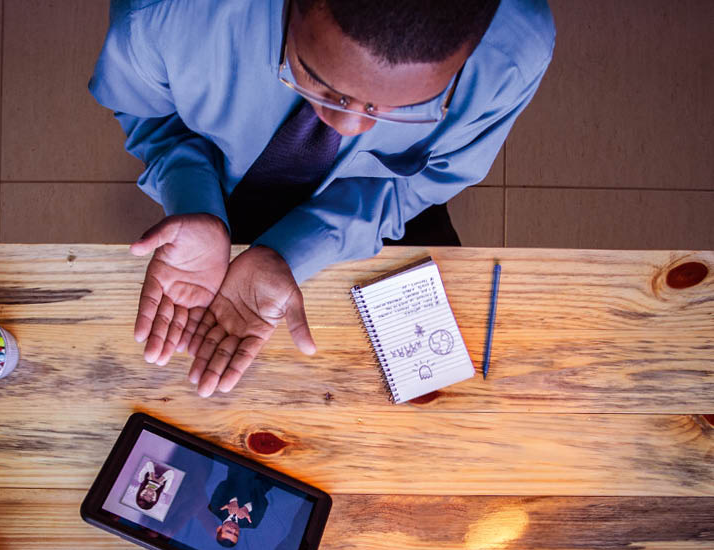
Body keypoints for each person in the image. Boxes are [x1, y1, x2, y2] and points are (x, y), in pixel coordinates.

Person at [90, 0, 555, 397]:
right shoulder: (165, 14)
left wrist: (294, 249)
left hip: (382, 207)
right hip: (215, 185)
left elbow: (425, 181)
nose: (349, 127)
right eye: (319, 83)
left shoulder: (513, 52)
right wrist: (193, 200)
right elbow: (147, 112)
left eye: (399, 108)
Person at [207, 469, 273, 548]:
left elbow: (224, 484)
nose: (234, 530)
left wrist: (233, 500)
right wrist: (247, 508)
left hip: (241, 467)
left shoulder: (215, 508)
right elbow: (264, 503)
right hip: (267, 476)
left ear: (219, 529)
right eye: (236, 534)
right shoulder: (251, 524)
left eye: (228, 531)